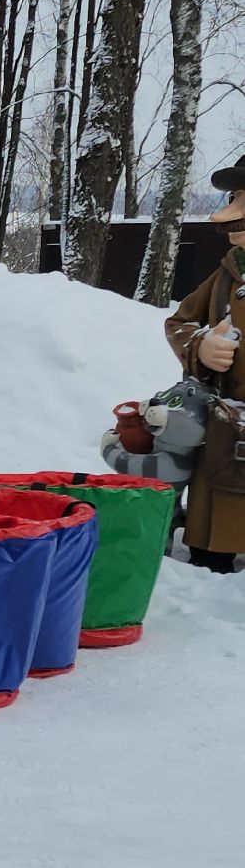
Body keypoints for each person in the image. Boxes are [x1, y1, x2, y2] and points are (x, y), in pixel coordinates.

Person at [163, 155, 245, 574]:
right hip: (227, 423)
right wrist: (201, 346)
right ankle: (210, 553)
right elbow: (180, 321)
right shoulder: (228, 273)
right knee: (215, 522)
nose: (234, 210)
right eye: (235, 196)